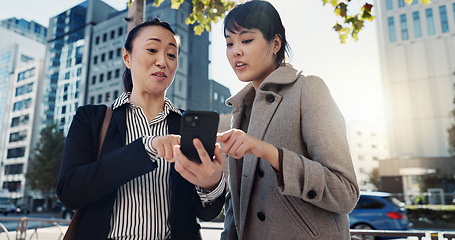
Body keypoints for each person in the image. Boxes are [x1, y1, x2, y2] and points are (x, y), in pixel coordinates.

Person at [57, 18, 226, 240]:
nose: (162, 61)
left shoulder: (187, 126)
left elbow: (207, 212)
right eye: (152, 50)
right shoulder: (92, 118)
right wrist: (145, 148)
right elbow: (70, 192)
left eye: (171, 55)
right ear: (127, 57)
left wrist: (211, 184)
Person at [216, 1, 360, 239]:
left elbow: (345, 192)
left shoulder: (308, 89)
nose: (236, 51)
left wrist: (272, 154)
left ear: (275, 43)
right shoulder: (240, 110)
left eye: (246, 40)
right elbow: (237, 205)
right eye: (229, 43)